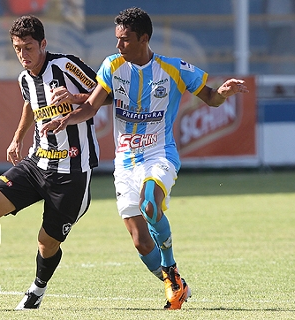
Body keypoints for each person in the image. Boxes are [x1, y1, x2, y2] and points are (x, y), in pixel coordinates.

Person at [41, 7, 249, 310]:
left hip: (159, 153)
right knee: (140, 240)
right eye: (117, 39)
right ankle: (173, 284)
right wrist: (67, 119)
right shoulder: (112, 66)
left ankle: (170, 269)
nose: (118, 46)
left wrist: (224, 93)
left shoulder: (174, 69)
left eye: (124, 40)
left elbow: (211, 98)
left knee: (150, 204)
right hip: (125, 163)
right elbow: (90, 106)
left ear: (144, 38)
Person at [0, 15, 101, 310]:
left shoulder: (66, 66)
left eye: (28, 48)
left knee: (46, 243)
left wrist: (75, 96)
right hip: (37, 163)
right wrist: (17, 137)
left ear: (43, 44)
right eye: (17, 48)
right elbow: (30, 104)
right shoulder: (24, 78)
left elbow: (103, 95)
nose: (23, 55)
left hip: (72, 171)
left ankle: (37, 290)